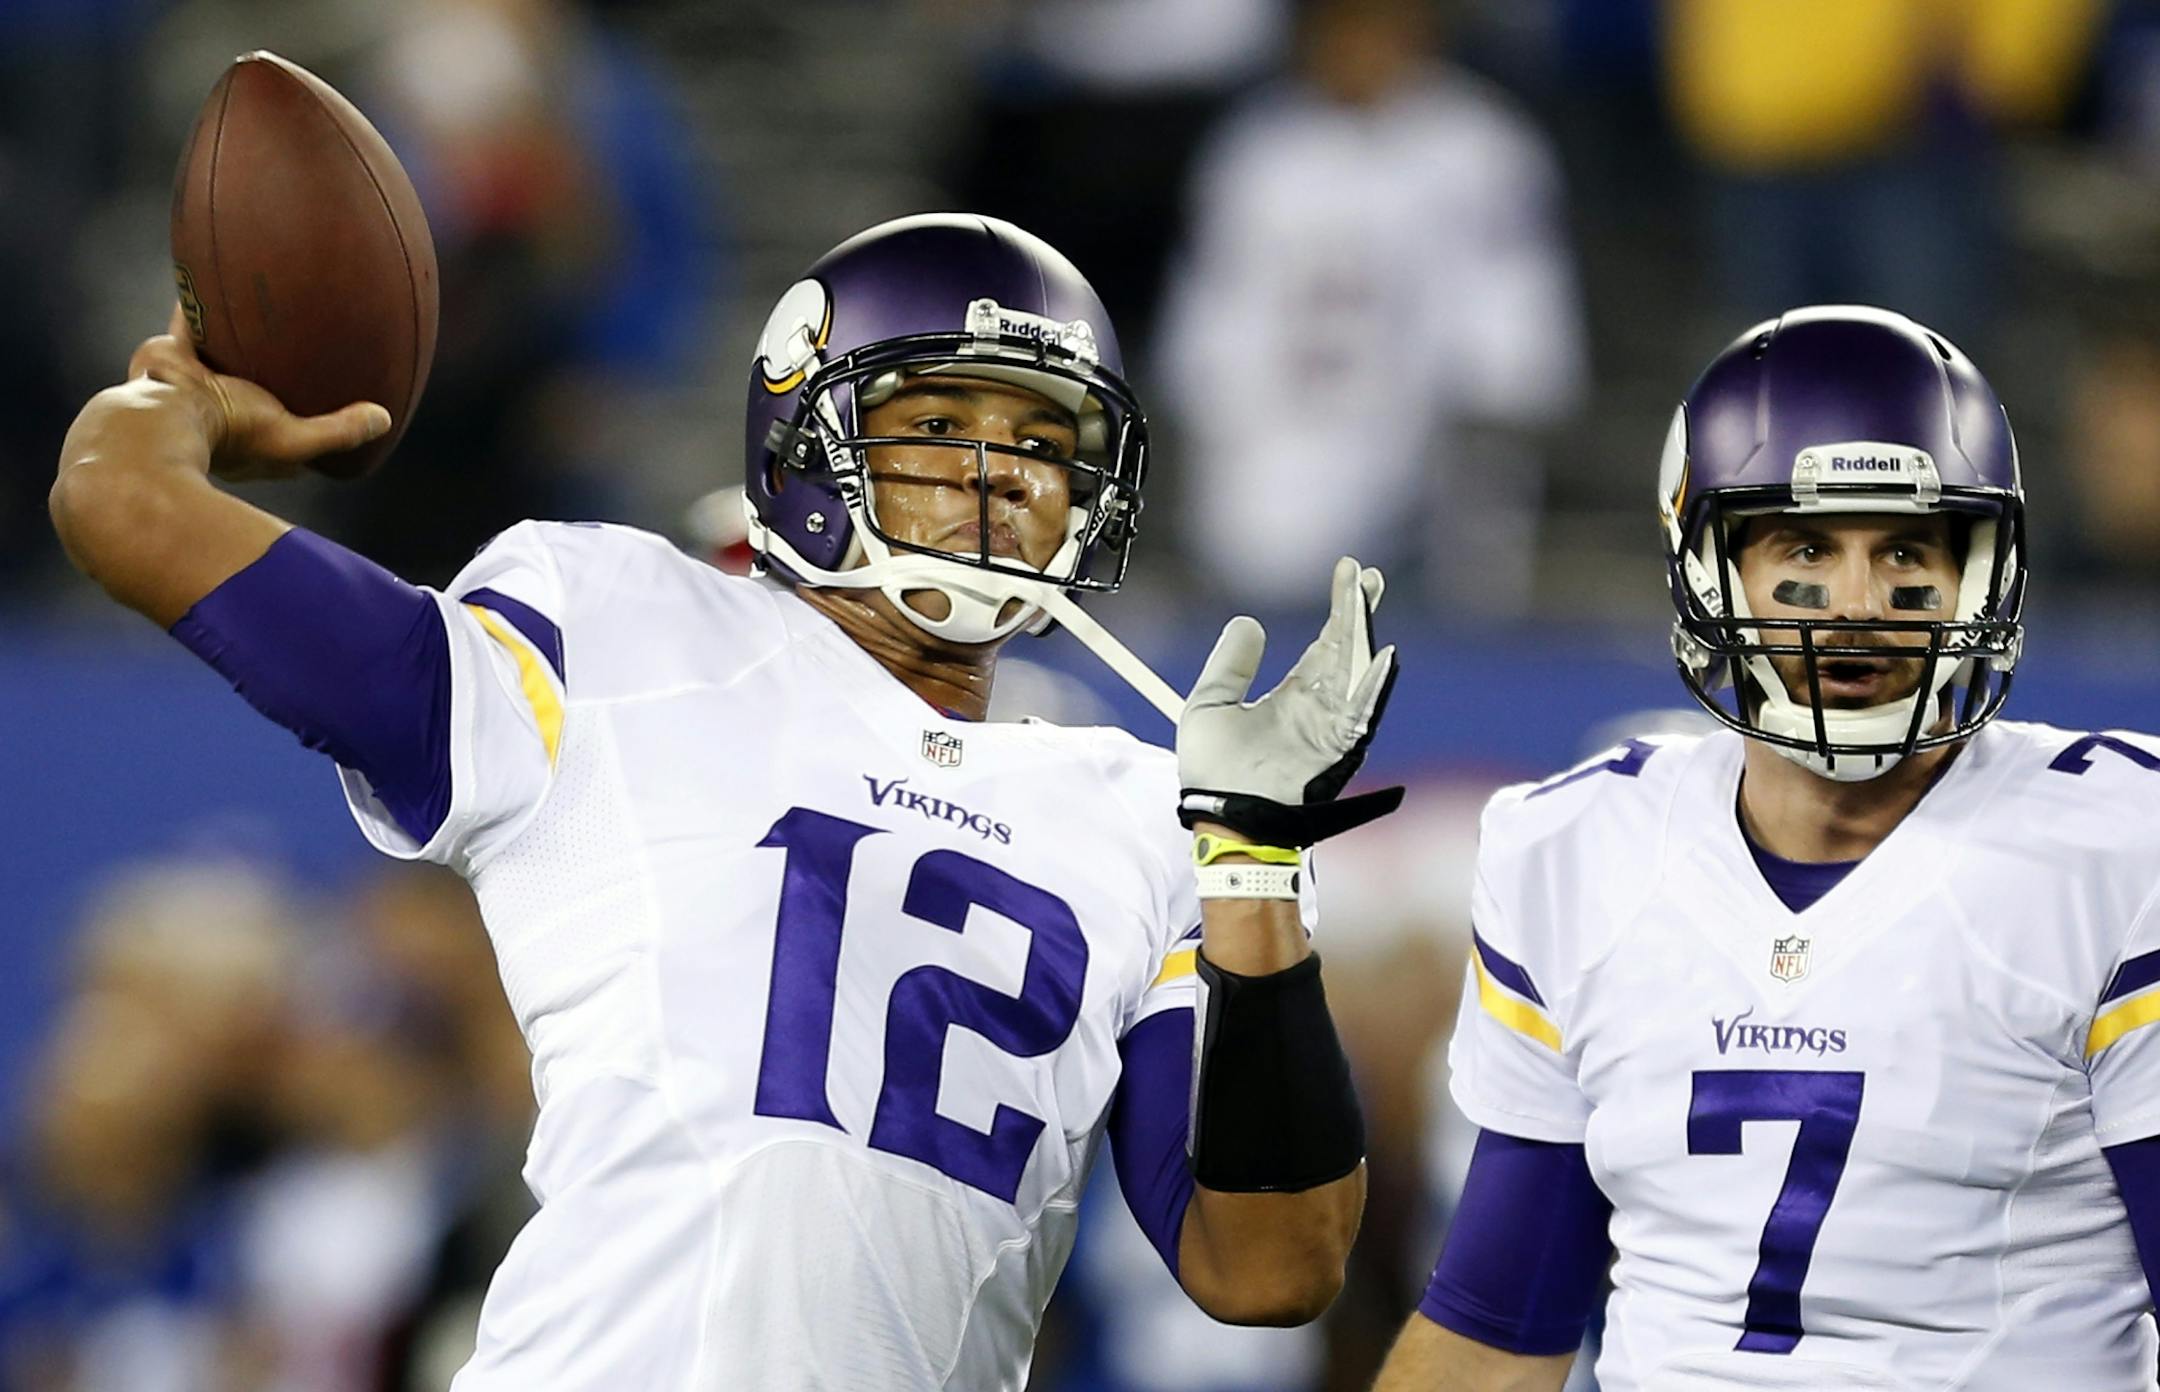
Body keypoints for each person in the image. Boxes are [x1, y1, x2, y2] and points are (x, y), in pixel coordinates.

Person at [49, 212, 1397, 1390]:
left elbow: (1270, 1265)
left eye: (1045, 438)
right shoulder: (619, 626)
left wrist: (1259, 860)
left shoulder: (1149, 805)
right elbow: (122, 503)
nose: (999, 475)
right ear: (803, 429)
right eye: (936, 422)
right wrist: (185, 407)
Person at [1374, 305, 2160, 1390]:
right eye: (1804, 548)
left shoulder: (2116, 850)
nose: (1858, 605)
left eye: (1906, 550)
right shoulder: (1578, 847)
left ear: (1984, 571)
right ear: (1709, 567)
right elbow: (1496, 1334)